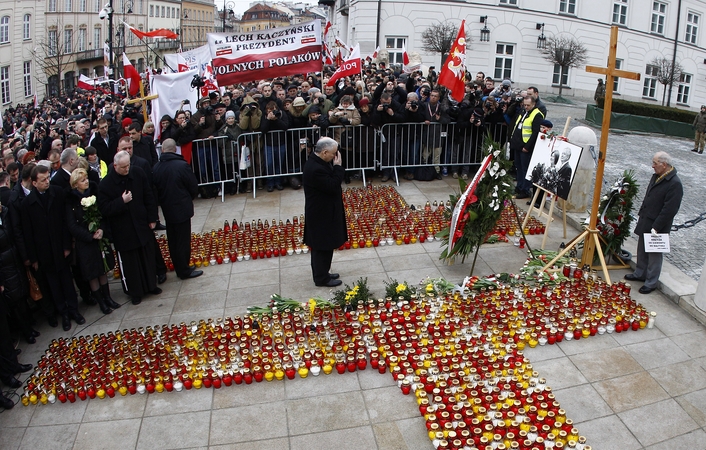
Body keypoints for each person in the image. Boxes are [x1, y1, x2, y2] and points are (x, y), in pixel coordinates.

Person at [20, 165, 85, 331]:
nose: (47, 182)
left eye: (48, 178)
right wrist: (33, 258)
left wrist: (66, 245)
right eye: (43, 180)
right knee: (53, 284)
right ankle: (63, 312)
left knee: (66, 281)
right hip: (44, 251)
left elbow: (64, 221)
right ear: (34, 183)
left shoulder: (57, 193)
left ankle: (73, 309)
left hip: (60, 246)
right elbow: (28, 232)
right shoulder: (28, 203)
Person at [98, 150, 161, 305]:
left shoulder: (137, 173)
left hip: (141, 224)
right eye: (123, 167)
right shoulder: (105, 184)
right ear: (115, 166)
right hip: (123, 230)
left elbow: (148, 195)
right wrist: (121, 201)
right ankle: (135, 292)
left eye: (128, 166)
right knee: (130, 264)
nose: (127, 169)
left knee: (147, 257)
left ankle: (151, 285)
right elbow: (104, 209)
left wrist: (152, 218)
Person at [625, 152, 683, 294]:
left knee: (654, 254)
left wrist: (657, 226)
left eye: (655, 163)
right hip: (647, 218)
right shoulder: (657, 176)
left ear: (664, 165)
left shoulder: (674, 183)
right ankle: (640, 273)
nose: (652, 166)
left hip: (658, 224)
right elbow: (649, 196)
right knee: (642, 249)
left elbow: (670, 209)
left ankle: (651, 282)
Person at [65, 168, 119, 314]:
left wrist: (101, 229)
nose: (87, 181)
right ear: (76, 184)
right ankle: (101, 302)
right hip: (85, 243)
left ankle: (108, 298)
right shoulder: (71, 202)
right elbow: (72, 226)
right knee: (92, 272)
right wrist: (89, 236)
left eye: (87, 178)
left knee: (102, 268)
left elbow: (100, 215)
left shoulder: (93, 195)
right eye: (83, 180)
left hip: (98, 238)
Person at [152, 139, 203, 280]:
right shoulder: (182, 166)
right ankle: (184, 270)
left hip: (167, 209)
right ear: (175, 149)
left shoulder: (156, 168)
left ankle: (179, 266)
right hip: (181, 208)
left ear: (163, 150)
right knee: (182, 241)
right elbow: (193, 186)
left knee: (173, 240)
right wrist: (187, 198)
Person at [302, 137, 347, 287]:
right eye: (333, 154)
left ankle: (324, 272)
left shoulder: (319, 162)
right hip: (320, 213)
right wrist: (339, 167)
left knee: (326, 244)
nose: (335, 157)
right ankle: (321, 278)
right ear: (324, 152)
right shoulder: (316, 169)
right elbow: (333, 185)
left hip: (325, 210)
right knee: (321, 246)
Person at [510, 96, 544, 199]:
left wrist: (527, 146)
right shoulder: (523, 112)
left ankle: (525, 189)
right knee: (518, 167)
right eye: (524, 105)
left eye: (528, 105)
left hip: (526, 146)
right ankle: (519, 187)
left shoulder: (537, 114)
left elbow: (535, 133)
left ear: (533, 104)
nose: (526, 107)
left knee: (525, 169)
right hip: (518, 144)